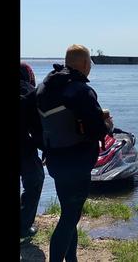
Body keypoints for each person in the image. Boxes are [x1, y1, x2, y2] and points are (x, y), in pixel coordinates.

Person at [36, 44, 114, 262]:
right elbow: (96, 130)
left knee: (69, 213)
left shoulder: (44, 87)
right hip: (77, 162)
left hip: (55, 160)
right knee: (70, 218)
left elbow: (38, 125)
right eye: (90, 63)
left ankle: (71, 259)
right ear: (85, 64)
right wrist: (107, 124)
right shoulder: (82, 90)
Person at [20, 62, 44, 243]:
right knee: (35, 180)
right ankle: (24, 226)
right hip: (24, 147)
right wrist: (47, 149)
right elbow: (38, 128)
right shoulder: (31, 93)